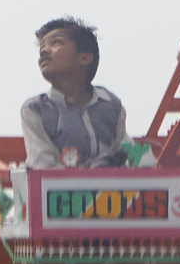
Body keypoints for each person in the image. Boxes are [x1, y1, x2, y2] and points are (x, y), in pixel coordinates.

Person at [21, 18, 130, 168]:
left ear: (84, 58)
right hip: (62, 184)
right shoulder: (35, 110)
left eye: (56, 42)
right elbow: (43, 163)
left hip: (110, 183)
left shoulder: (111, 105)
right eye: (42, 47)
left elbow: (125, 151)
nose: (44, 51)